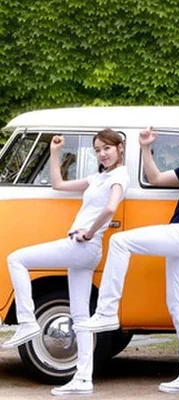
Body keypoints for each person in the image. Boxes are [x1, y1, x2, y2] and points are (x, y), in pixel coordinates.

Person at [76, 106, 179, 394]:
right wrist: (145, 148)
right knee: (178, 305)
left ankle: (106, 312)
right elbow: (155, 178)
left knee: (120, 241)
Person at [4, 130, 128, 396]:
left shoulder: (120, 176)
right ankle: (83, 379)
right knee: (81, 316)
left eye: (107, 148)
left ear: (120, 147)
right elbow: (58, 184)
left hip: (82, 245)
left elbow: (110, 207)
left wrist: (90, 232)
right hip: (85, 249)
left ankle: (27, 321)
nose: (102, 154)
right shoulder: (98, 177)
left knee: (16, 259)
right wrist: (55, 152)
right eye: (98, 150)